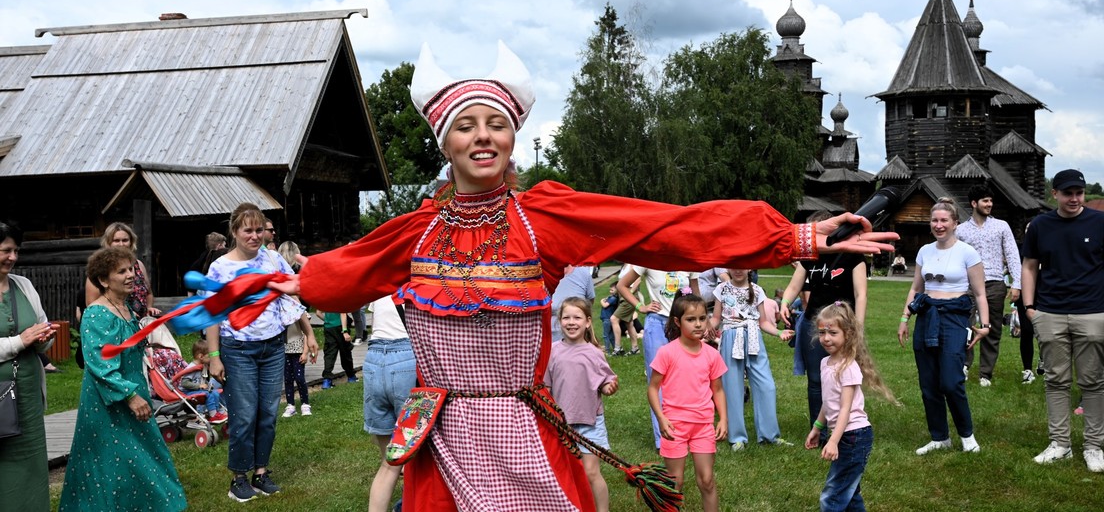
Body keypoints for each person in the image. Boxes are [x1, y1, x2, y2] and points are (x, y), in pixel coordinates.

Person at [271, 42, 895, 510]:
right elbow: (354, 268)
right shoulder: (417, 232)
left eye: (496, 124)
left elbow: (661, 229)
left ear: (513, 135)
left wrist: (794, 239)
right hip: (441, 433)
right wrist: (306, 283)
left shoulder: (542, 219)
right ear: (445, 140)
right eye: (466, 125)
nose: (482, 137)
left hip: (519, 422)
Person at [203, 204, 320, 502]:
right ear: (234, 232)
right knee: (244, 415)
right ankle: (238, 478)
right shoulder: (220, 268)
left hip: (272, 347)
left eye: (259, 230)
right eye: (248, 230)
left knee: (268, 413)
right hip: (237, 349)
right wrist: (214, 356)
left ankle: (261, 472)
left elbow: (291, 295)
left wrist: (308, 333)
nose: (254, 236)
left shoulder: (273, 259)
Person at [59, 246, 186, 511]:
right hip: (108, 401)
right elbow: (99, 364)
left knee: (145, 457)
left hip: (135, 390)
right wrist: (129, 395)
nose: (131, 275)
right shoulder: (96, 314)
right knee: (114, 462)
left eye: (132, 269)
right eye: (122, 271)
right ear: (104, 280)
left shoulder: (126, 307)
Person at [1021, 169, 1104, 472]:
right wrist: (1030, 307)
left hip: (1093, 312)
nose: (1074, 198)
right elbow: (1029, 265)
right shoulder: (1040, 226)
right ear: (1053, 194)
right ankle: (1060, 444)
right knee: (1056, 381)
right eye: (1067, 193)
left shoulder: (1099, 222)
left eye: (1079, 193)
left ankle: (1094, 446)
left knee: (1093, 382)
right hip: (1050, 312)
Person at [898, 197, 990, 455]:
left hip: (953, 319)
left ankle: (967, 434)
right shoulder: (924, 251)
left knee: (951, 382)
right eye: (934, 220)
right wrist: (905, 319)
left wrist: (985, 325)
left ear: (955, 223)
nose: (938, 225)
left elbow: (980, 293)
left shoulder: (967, 252)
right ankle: (939, 437)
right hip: (926, 317)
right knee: (928, 383)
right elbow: (916, 288)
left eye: (944, 220)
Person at [780, 210, 868, 435]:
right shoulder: (810, 255)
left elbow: (860, 295)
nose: (812, 236)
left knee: (843, 375)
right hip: (814, 325)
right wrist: (785, 302)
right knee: (816, 380)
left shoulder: (851, 255)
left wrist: (857, 328)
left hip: (842, 327)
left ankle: (845, 426)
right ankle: (818, 430)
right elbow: (794, 285)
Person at [805, 303, 896, 512]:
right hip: (845, 435)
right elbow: (828, 402)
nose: (826, 338)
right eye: (822, 332)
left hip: (855, 436)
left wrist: (834, 441)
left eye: (833, 332)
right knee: (850, 492)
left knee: (833, 496)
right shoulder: (825, 363)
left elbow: (845, 408)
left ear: (848, 334)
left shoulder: (848, 367)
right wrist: (817, 428)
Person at [648, 293, 727, 512]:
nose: (698, 324)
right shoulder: (666, 353)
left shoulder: (711, 354)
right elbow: (653, 388)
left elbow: (718, 390)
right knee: (675, 484)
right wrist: (661, 419)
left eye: (702, 318)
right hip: (674, 426)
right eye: (691, 319)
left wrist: (723, 419)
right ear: (677, 321)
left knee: (707, 481)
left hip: (703, 425)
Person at [0, 222, 58, 511]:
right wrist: (19, 341)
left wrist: (43, 338)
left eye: (16, 251)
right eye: (5, 250)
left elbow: (39, 327)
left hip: (27, 398)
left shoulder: (23, 285)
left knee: (32, 468)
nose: (12, 257)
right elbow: (22, 339)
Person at [545, 297, 619, 512]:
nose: (571, 322)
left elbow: (606, 382)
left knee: (591, 472)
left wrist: (609, 388)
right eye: (566, 317)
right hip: (561, 424)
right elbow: (546, 387)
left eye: (577, 317)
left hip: (590, 423)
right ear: (559, 321)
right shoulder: (553, 351)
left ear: (587, 322)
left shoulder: (594, 353)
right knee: (564, 473)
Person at [712, 269, 794, 449]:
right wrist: (704, 328)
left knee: (766, 386)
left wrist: (779, 332)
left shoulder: (757, 290)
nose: (738, 269)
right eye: (734, 265)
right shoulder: (722, 289)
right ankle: (737, 437)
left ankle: (769, 434)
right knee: (733, 388)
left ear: (749, 268)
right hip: (731, 338)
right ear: (727, 268)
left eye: (743, 265)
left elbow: (763, 322)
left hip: (754, 339)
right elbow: (716, 318)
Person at [618, 266, 697, 448]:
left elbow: (696, 295)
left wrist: (701, 321)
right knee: (658, 381)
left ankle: (685, 432)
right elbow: (622, 285)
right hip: (657, 323)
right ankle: (663, 438)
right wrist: (640, 306)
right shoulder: (649, 259)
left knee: (685, 379)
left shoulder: (688, 260)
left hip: (682, 326)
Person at [956, 184, 1022, 387]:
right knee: (963, 326)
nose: (989, 204)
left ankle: (986, 373)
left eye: (991, 201)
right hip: (966, 284)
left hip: (994, 282)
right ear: (974, 203)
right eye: (985, 201)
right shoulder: (960, 230)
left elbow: (1012, 254)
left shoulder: (1001, 226)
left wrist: (1016, 284)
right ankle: (964, 366)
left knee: (991, 329)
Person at [363, 295, 418, 512]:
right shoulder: (416, 284)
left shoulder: (379, 288)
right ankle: (411, 505)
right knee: (417, 456)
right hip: (405, 356)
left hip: (373, 360)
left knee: (390, 463)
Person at [84, 222, 160, 318]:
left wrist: (149, 307)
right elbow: (92, 304)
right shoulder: (101, 268)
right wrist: (124, 315)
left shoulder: (139, 265)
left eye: (125, 240)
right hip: (116, 324)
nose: (121, 244)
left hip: (142, 324)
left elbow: (148, 293)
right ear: (108, 243)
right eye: (116, 240)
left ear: (131, 242)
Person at [180, 338, 228, 426]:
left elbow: (204, 379)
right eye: (209, 356)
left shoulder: (203, 366)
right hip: (187, 392)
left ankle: (218, 412)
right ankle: (212, 414)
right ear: (201, 356)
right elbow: (184, 383)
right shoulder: (191, 368)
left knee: (215, 393)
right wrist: (199, 386)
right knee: (208, 394)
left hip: (197, 389)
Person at [549, 265, 596, 343]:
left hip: (578, 342)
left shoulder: (583, 273)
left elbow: (588, 304)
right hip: (546, 342)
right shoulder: (540, 273)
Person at [282, 308, 313, 417]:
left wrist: (305, 352)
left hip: (298, 350)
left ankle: (305, 404)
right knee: (287, 378)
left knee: (299, 378)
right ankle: (290, 405)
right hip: (284, 350)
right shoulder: (280, 310)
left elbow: (306, 333)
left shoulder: (300, 311)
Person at [609, 264, 641, 356]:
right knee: (629, 323)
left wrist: (629, 293)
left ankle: (618, 348)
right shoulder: (625, 265)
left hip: (628, 297)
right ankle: (635, 348)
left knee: (614, 319)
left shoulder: (632, 264)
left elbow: (638, 279)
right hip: (623, 297)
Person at [321, 310, 357, 388]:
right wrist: (345, 331)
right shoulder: (339, 297)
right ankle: (351, 376)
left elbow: (318, 313)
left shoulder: (325, 297)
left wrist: (328, 321)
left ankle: (326, 380)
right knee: (345, 352)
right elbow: (343, 312)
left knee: (329, 353)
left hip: (328, 327)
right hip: (340, 326)